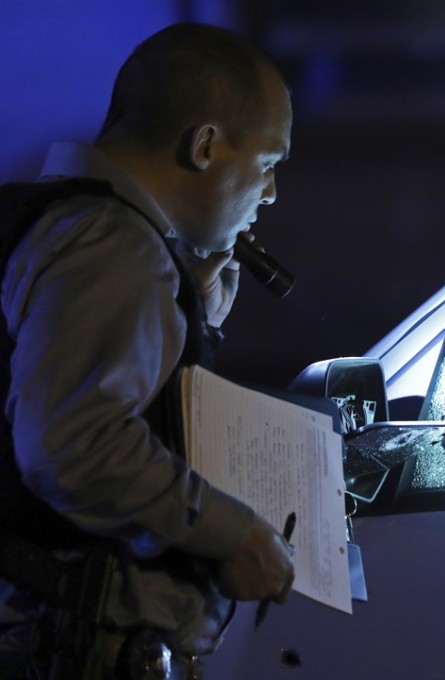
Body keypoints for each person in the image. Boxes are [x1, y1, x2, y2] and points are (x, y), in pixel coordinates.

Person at [0, 23, 295, 678]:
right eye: (268, 164)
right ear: (207, 146)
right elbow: (75, 446)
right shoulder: (116, 248)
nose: (270, 193)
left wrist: (193, 311)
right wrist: (233, 531)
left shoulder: (61, 219)